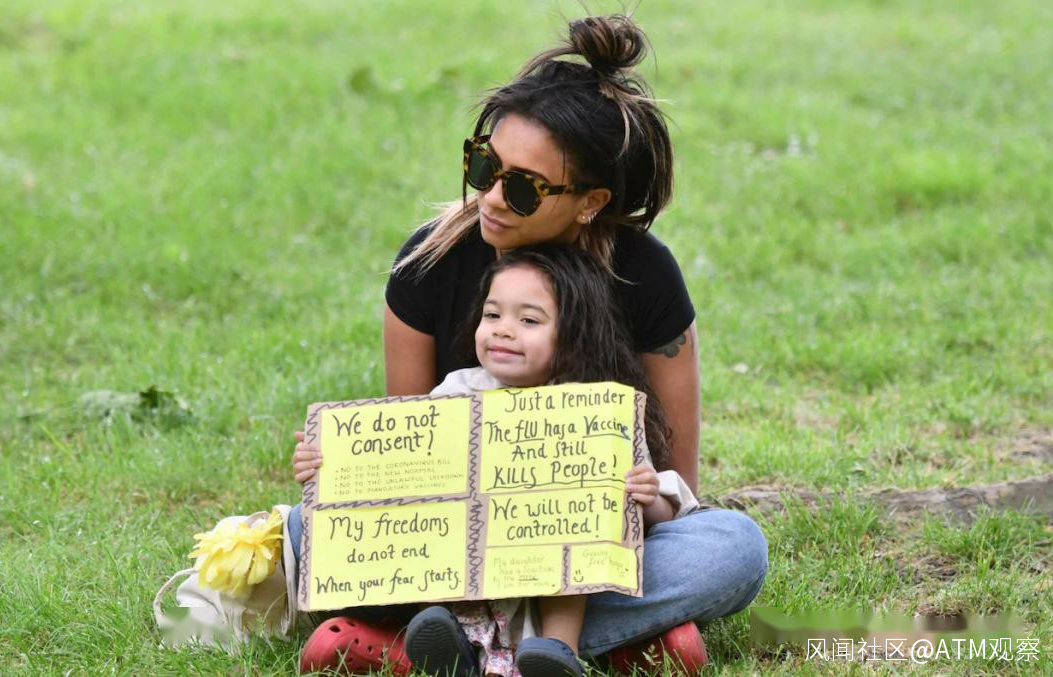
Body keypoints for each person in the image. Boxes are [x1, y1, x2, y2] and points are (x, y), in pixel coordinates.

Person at [292, 12, 768, 676]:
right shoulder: (428, 264)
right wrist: (340, 470)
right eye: (484, 164)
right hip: (455, 549)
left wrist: (619, 500)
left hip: (592, 546)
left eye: (522, 187)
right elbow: (408, 453)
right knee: (303, 530)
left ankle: (430, 650)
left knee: (734, 545)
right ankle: (612, 644)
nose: (490, 197)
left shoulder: (647, 275)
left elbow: (679, 485)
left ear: (589, 201)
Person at [400, 245, 697, 677]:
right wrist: (328, 464)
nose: (502, 330)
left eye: (529, 321)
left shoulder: (595, 414)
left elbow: (663, 511)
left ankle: (557, 652)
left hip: (549, 575)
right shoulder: (454, 393)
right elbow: (404, 468)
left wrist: (646, 496)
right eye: (492, 315)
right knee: (428, 535)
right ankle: (448, 643)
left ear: (573, 338)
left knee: (575, 536)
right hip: (469, 575)